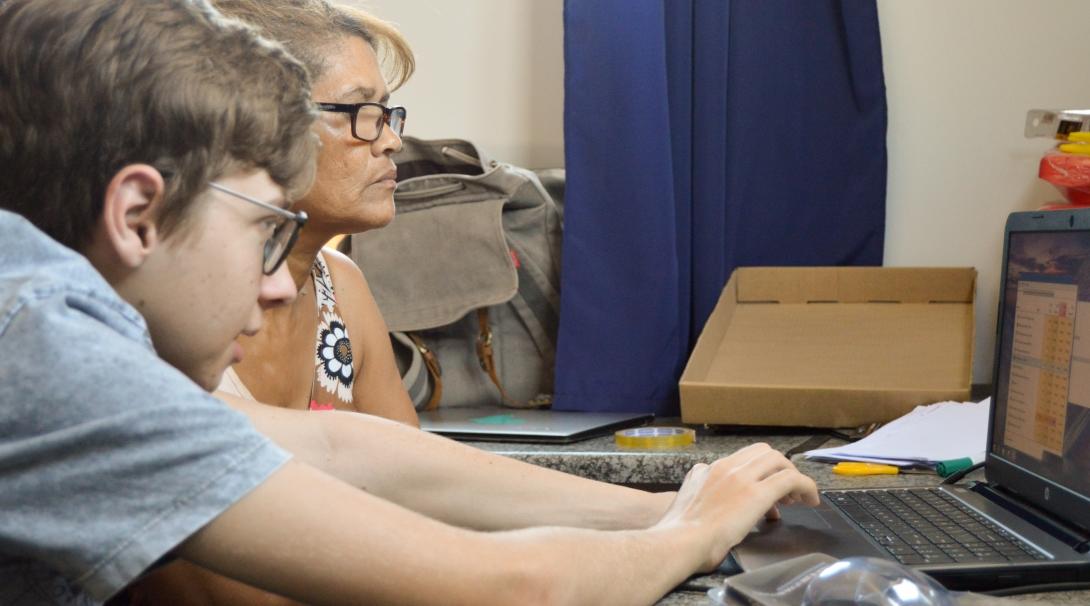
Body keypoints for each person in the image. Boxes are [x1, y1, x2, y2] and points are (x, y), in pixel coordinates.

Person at [0, 1, 821, 605]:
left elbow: (337, 450)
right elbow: (513, 588)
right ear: (137, 211)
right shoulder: (43, 346)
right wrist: (693, 536)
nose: (280, 279)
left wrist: (664, 509)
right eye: (261, 229)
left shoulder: (39, 309)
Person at [211, 0, 420, 426]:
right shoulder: (175, 306)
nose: (391, 142)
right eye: (360, 112)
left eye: (385, 112)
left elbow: (413, 468)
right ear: (261, 126)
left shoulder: (342, 287)